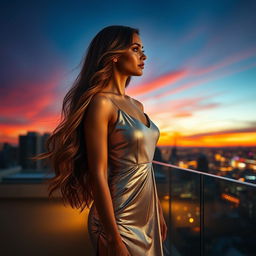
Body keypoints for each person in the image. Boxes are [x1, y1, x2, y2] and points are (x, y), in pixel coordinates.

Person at [32, 25, 167, 256]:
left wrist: (158, 212)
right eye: (135, 49)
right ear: (114, 55)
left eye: (143, 49)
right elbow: (98, 174)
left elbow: (146, 167)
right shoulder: (101, 103)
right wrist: (113, 238)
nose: (143, 56)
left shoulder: (137, 105)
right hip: (118, 220)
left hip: (147, 216)